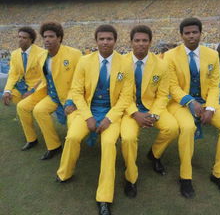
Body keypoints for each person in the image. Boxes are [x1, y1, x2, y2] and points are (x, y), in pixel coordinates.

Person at [56, 25, 133, 215]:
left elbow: (126, 97)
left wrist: (109, 118)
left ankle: (104, 197)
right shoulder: (84, 61)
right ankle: (64, 173)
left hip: (111, 112)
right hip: (88, 110)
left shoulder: (125, 63)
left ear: (115, 41)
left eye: (109, 39)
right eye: (101, 39)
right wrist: (88, 117)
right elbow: (76, 91)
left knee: (108, 145)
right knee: (72, 137)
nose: (105, 42)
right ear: (96, 41)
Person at [164, 17, 220, 198]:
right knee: (187, 128)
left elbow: (214, 85)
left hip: (207, 101)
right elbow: (172, 86)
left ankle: (219, 174)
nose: (191, 36)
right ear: (181, 35)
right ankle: (185, 177)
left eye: (194, 32)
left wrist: (211, 108)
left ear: (200, 33)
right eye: (187, 33)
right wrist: (190, 101)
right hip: (181, 103)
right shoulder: (170, 56)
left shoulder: (212, 55)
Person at [120, 25, 179, 198]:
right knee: (129, 138)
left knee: (173, 128)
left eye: (144, 40)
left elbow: (162, 95)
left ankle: (154, 154)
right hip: (129, 110)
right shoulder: (121, 63)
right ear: (131, 42)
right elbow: (118, 95)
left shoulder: (161, 65)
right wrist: (134, 113)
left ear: (150, 42)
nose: (141, 44)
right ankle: (131, 177)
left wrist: (154, 114)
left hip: (152, 108)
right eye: (137, 40)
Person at [17, 21, 82, 157]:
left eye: (51, 36)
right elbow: (44, 79)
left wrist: (72, 101)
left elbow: (81, 81)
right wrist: (32, 91)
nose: (47, 39)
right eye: (45, 37)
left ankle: (72, 147)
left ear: (59, 38)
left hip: (70, 96)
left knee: (44, 112)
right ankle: (51, 145)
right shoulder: (42, 57)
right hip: (52, 94)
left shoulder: (74, 54)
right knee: (24, 106)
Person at [3, 27, 44, 105]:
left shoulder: (42, 53)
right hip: (21, 87)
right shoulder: (14, 54)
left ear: (31, 40)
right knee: (8, 97)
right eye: (19, 37)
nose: (20, 39)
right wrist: (7, 90)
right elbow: (13, 74)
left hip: (37, 88)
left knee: (27, 107)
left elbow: (44, 77)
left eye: (24, 38)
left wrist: (32, 91)